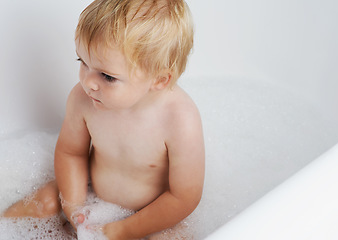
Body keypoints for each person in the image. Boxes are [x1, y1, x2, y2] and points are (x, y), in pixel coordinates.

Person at [3, 0, 205, 239]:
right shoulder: (83, 98)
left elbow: (183, 197)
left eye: (107, 76)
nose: (88, 82)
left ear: (159, 80)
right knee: (39, 205)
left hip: (152, 213)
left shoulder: (179, 119)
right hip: (89, 193)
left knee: (171, 237)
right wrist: (75, 207)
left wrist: (123, 230)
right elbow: (71, 153)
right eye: (83, 62)